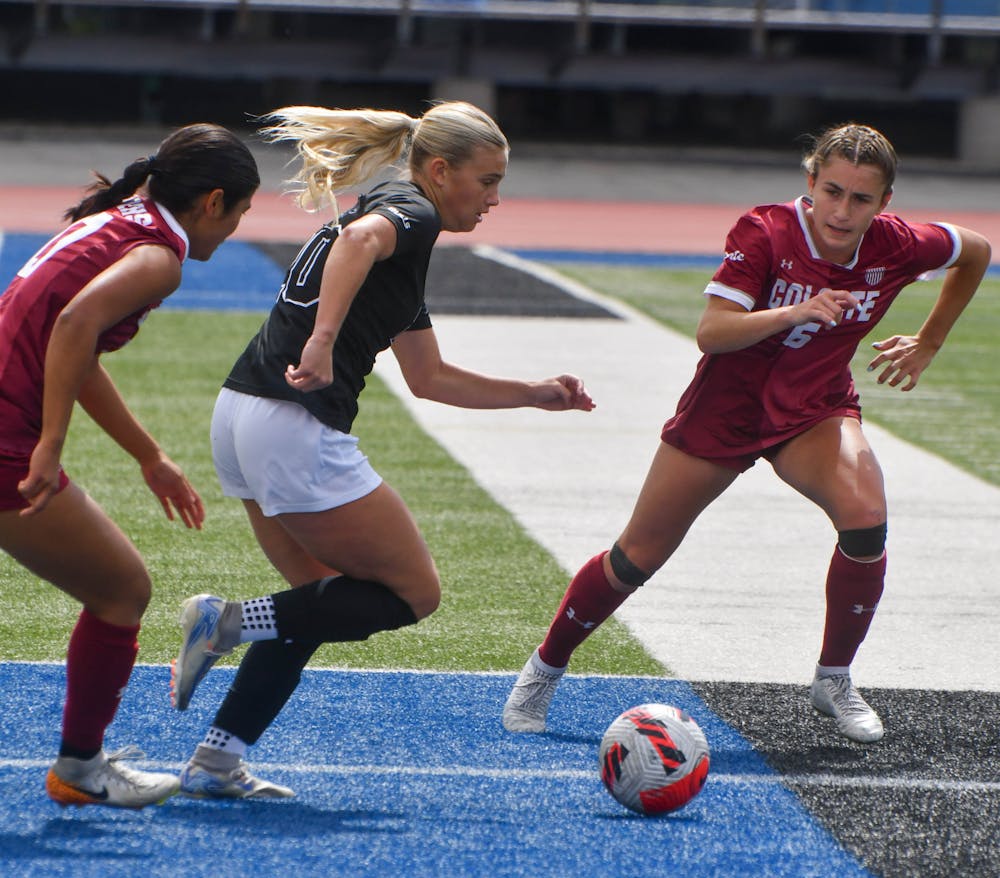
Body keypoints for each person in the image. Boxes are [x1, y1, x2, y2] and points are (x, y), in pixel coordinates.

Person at [502, 122, 992, 744]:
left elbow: (974, 249)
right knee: (636, 558)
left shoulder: (897, 245)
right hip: (726, 410)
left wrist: (930, 340)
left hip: (815, 409)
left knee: (867, 521)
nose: (842, 211)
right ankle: (545, 668)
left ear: (884, 203)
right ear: (810, 181)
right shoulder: (764, 231)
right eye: (832, 191)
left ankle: (833, 679)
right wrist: (798, 309)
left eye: (861, 199)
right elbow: (712, 332)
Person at [168, 101, 595, 798]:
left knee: (314, 604)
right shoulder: (410, 215)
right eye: (486, 181)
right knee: (413, 593)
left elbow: (429, 378)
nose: (495, 199)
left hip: (241, 413)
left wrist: (533, 391)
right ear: (438, 171)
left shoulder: (398, 216)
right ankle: (228, 621)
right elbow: (360, 242)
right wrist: (325, 339)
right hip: (292, 424)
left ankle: (216, 760)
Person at [0, 124, 259, 807]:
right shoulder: (158, 258)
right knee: (123, 592)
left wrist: (150, 457)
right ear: (212, 202)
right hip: (3, 438)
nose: (235, 229)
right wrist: (49, 446)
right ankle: (80, 771)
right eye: (240, 213)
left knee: (120, 589)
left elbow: (73, 349)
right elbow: (74, 328)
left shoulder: (126, 218)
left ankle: (79, 768)